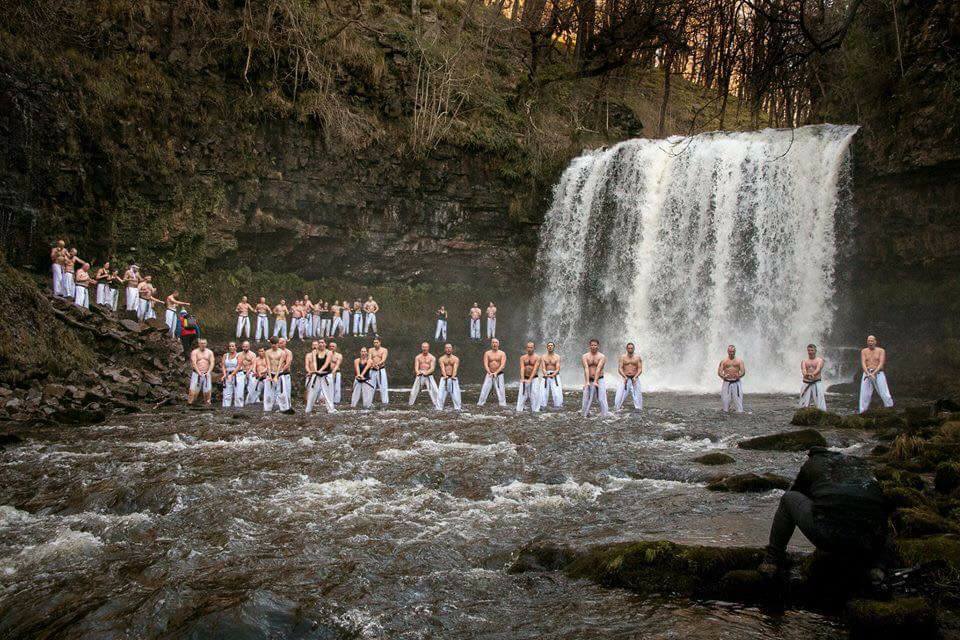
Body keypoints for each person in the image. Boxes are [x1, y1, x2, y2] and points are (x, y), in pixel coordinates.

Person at [759, 448, 889, 579]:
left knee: (788, 499)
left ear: (812, 455)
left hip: (830, 533)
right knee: (872, 512)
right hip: (870, 541)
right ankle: (878, 567)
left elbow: (799, 493)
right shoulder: (860, 465)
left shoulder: (813, 463)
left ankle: (772, 560)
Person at [859, 335, 894, 413]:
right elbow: (863, 363)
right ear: (867, 342)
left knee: (884, 392)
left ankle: (889, 409)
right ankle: (862, 412)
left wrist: (874, 373)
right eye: (868, 341)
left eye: (872, 341)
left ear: (875, 341)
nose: (870, 342)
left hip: (878, 373)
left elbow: (881, 363)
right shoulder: (864, 351)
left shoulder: (881, 351)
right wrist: (868, 373)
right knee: (865, 394)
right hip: (867, 373)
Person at [305, 339, 336, 413]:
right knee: (312, 393)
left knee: (328, 393)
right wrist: (316, 370)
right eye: (319, 343)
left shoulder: (329, 352)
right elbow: (315, 362)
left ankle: (330, 409)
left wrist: (320, 370)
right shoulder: (314, 352)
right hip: (317, 375)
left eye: (322, 343)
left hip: (326, 375)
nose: (321, 344)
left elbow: (326, 363)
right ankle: (308, 409)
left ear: (325, 344)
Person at [581, 339, 610, 417]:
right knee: (585, 399)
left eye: (595, 345)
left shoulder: (602, 356)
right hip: (589, 379)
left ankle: (605, 415)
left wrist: (596, 381)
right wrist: (586, 382)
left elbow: (598, 368)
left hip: (600, 379)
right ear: (589, 346)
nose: (593, 347)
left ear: (598, 346)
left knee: (601, 399)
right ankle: (584, 414)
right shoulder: (585, 356)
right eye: (592, 345)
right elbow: (586, 368)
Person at [409, 342, 441, 408]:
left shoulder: (432, 357)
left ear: (428, 348)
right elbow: (416, 367)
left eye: (426, 347)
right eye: (423, 347)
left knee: (435, 390)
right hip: (420, 375)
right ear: (421, 348)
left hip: (429, 375)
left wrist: (426, 373)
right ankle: (410, 404)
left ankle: (437, 405)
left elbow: (432, 368)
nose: (424, 348)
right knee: (413, 391)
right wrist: (418, 372)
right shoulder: (418, 357)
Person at [263, 338, 290, 412]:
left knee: (282, 393)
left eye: (275, 343)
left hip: (279, 374)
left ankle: (284, 409)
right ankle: (267, 409)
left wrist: (276, 376)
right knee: (268, 394)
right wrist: (269, 375)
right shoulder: (267, 352)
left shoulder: (282, 352)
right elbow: (268, 365)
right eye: (272, 343)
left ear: (278, 344)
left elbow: (280, 365)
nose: (274, 345)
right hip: (270, 373)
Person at [478, 338, 507, 407]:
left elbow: (503, 365)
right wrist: (490, 372)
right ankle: (480, 403)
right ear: (491, 344)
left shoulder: (502, 353)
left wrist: (496, 372)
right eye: (493, 342)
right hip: (489, 374)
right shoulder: (487, 353)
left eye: (496, 342)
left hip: (499, 374)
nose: (494, 344)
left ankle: (502, 405)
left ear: (498, 344)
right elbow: (485, 364)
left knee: (501, 391)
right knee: (484, 390)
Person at [615, 343, 643, 411]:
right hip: (625, 378)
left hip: (634, 378)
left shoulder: (637, 357)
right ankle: (617, 408)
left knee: (637, 395)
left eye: (631, 348)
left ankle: (638, 409)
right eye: (629, 348)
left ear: (634, 349)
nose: (630, 349)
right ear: (626, 349)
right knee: (620, 394)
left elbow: (640, 369)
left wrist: (635, 377)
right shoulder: (622, 357)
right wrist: (624, 376)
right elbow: (620, 368)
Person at [516, 342, 543, 413]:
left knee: (535, 394)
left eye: (531, 347)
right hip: (525, 377)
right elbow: (522, 368)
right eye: (528, 347)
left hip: (534, 378)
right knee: (522, 394)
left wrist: (530, 379)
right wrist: (522, 378)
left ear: (534, 348)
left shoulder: (538, 357)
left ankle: (535, 410)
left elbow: (535, 369)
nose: (529, 349)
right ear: (526, 348)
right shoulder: (522, 357)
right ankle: (519, 410)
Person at [718, 344, 746, 413]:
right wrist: (723, 376)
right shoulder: (723, 361)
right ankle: (726, 412)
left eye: (733, 351)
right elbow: (719, 372)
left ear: (735, 351)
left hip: (736, 382)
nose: (731, 353)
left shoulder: (739, 361)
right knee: (725, 403)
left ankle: (739, 413)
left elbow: (743, 371)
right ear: (727, 351)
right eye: (730, 351)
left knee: (739, 404)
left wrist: (739, 375)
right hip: (726, 382)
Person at [799, 344, 827, 411]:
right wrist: (806, 375)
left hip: (816, 383)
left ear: (815, 351)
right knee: (803, 403)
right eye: (809, 350)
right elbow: (803, 370)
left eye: (812, 350)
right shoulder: (804, 361)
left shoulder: (819, 360)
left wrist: (813, 374)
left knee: (820, 402)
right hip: (806, 383)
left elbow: (818, 369)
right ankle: (803, 414)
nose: (810, 352)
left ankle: (822, 413)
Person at [188, 339, 215, 405]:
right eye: (201, 343)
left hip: (206, 373)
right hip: (196, 374)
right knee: (193, 392)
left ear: (206, 344)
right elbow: (194, 363)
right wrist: (199, 372)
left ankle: (207, 404)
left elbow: (212, 362)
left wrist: (209, 372)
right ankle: (190, 404)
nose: (203, 345)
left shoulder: (210, 352)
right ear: (199, 344)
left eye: (204, 343)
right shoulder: (195, 352)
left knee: (207, 391)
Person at [437, 343, 462, 411]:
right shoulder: (441, 359)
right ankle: (439, 409)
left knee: (456, 396)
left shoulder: (455, 358)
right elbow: (442, 368)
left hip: (453, 378)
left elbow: (455, 368)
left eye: (450, 348)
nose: (448, 349)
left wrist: (453, 376)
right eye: (447, 348)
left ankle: (457, 408)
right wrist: (445, 376)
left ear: (452, 349)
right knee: (440, 396)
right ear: (445, 349)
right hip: (444, 378)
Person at [221, 342, 245, 408]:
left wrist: (232, 374)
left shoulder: (239, 355)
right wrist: (224, 374)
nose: (231, 347)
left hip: (238, 375)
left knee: (238, 395)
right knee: (226, 394)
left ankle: (239, 409)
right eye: (230, 346)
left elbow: (239, 365)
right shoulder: (225, 355)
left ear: (235, 347)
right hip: (228, 374)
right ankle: (226, 409)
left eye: (232, 346)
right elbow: (223, 365)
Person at [541, 341, 563, 408]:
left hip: (555, 375)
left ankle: (558, 405)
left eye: (551, 345)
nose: (550, 347)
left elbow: (558, 368)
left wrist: (553, 375)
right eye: (549, 346)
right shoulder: (543, 357)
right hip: (546, 375)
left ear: (554, 347)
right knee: (543, 392)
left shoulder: (557, 357)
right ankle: (542, 406)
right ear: (547, 347)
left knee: (556, 393)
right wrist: (545, 374)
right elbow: (543, 367)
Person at [369, 338, 390, 405]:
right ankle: (369, 402)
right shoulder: (371, 350)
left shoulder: (384, 350)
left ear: (380, 342)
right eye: (374, 342)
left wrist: (377, 364)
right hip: (372, 369)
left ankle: (385, 402)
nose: (375, 344)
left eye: (377, 342)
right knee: (370, 386)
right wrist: (373, 365)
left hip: (381, 369)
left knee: (383, 386)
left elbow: (383, 359)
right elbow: (369, 359)